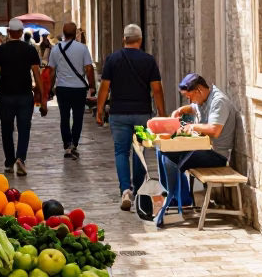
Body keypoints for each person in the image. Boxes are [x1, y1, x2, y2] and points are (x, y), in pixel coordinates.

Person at [95, 23, 165, 210]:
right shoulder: (148, 60)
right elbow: (157, 90)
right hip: (142, 113)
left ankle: (126, 189)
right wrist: (162, 114)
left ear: (124, 39)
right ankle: (140, 187)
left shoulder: (112, 59)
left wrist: (99, 109)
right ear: (140, 40)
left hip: (118, 113)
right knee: (140, 151)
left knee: (120, 151)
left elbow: (104, 87)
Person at [160, 72, 236, 213]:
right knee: (164, 152)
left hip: (216, 154)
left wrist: (192, 127)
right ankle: (178, 197)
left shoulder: (218, 101)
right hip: (202, 148)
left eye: (190, 97)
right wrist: (181, 110)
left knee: (173, 159)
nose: (190, 101)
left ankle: (180, 199)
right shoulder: (203, 98)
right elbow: (195, 108)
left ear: (199, 91)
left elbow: (214, 130)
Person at [0, 17, 46, 175]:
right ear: (21, 32)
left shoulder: (1, 50)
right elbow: (36, 73)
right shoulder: (30, 49)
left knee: (6, 129)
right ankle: (21, 158)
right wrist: (43, 97)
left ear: (8, 32)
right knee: (24, 128)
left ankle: (9, 161)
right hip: (25, 95)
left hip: (6, 95)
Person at [47, 21, 95, 159]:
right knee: (78, 117)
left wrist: (50, 88)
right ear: (75, 34)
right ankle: (74, 143)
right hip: (79, 88)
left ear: (63, 32)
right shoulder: (82, 48)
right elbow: (89, 68)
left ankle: (67, 145)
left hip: (62, 88)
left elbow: (51, 70)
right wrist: (91, 85)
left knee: (65, 117)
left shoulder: (56, 49)